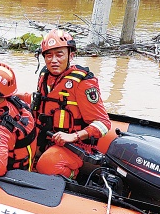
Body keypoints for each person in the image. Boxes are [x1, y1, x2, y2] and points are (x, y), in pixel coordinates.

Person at [32, 29, 111, 178]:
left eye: (59, 54)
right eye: (49, 55)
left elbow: (103, 124)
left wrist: (73, 136)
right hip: (45, 137)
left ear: (71, 55)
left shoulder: (83, 82)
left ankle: (75, 175)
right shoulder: (45, 76)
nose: (53, 60)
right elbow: (39, 102)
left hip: (74, 144)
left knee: (47, 165)